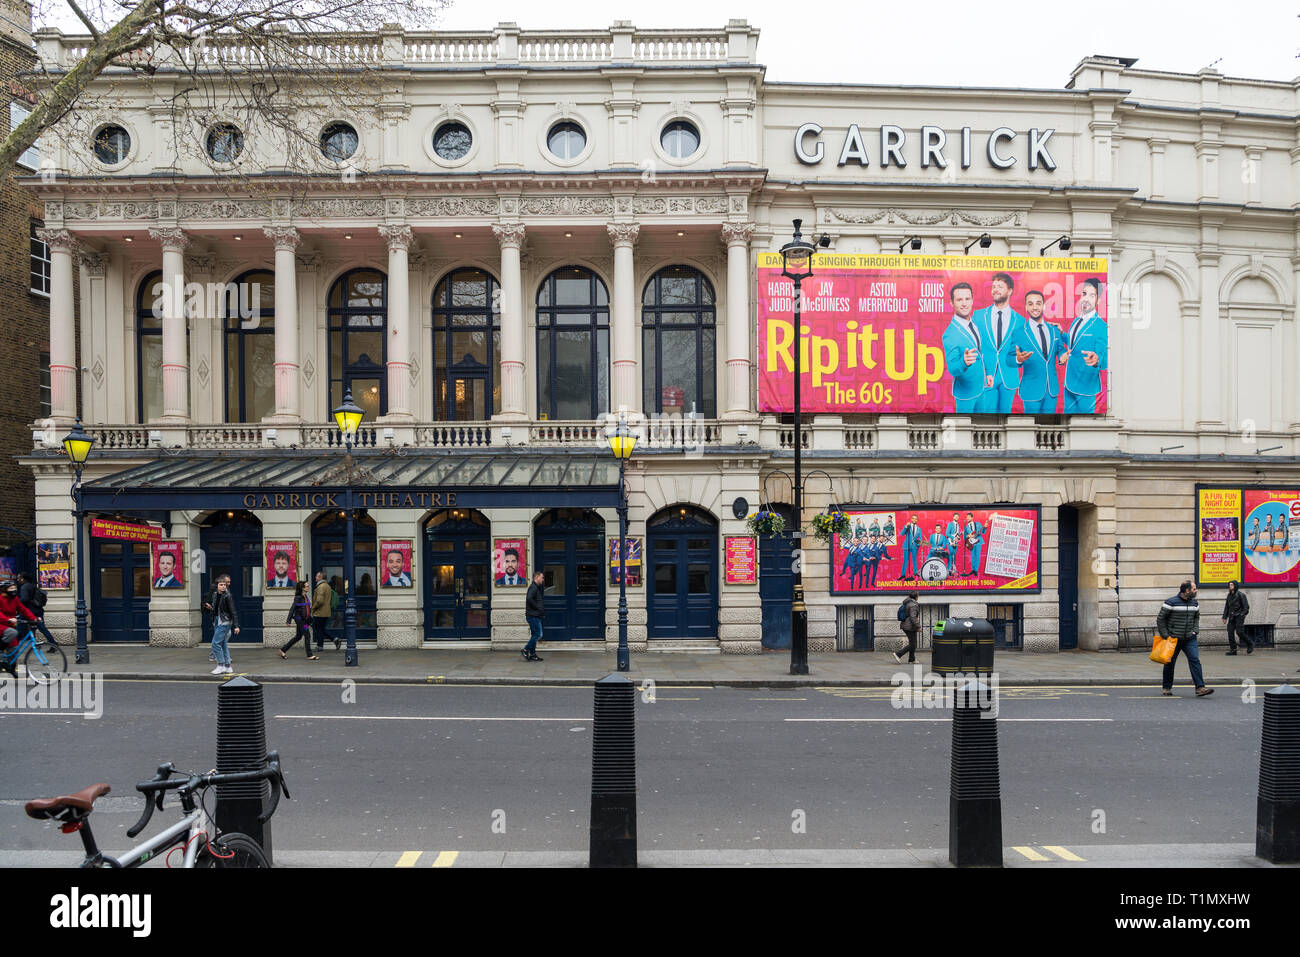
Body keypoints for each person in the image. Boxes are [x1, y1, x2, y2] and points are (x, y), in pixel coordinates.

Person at [971, 272, 1028, 413]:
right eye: (993, 286)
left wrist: (1019, 360)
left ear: (1009, 291)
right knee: (987, 416)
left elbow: (1020, 352)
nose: (995, 289)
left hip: (1009, 377)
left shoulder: (1020, 321)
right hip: (986, 375)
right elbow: (973, 346)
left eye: (1000, 286)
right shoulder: (978, 316)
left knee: (1006, 418)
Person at [941, 282, 992, 413]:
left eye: (967, 299)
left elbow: (982, 352)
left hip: (982, 389)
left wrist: (989, 373)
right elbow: (952, 369)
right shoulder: (949, 334)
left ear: (972, 300)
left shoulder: (975, 324)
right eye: (959, 299)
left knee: (982, 431)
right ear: (952, 303)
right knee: (963, 431)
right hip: (965, 394)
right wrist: (963, 362)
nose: (964, 303)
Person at [1157, 580, 1213, 697]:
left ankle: (1200, 687)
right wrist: (1166, 635)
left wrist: (1195, 630)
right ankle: (1167, 687)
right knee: (1169, 663)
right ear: (1187, 591)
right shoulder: (1170, 602)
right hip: (1173, 638)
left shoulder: (1194, 603)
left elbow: (1197, 617)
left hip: (1189, 638)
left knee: (1195, 660)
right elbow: (1161, 619)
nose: (1196, 590)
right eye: (1194, 589)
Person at [1061, 278, 1108, 414]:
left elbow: (1104, 358)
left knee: (1085, 428)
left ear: (1098, 300)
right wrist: (1062, 333)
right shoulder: (1077, 320)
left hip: (1086, 387)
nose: (1086, 299)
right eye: (1084, 294)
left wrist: (1097, 359)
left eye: (1091, 295)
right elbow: (1074, 344)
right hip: (1069, 383)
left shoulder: (1101, 326)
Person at [1017, 289, 1067, 413]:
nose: (1035, 307)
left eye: (1038, 303)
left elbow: (1060, 349)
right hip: (1031, 390)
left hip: (1051, 390)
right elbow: (1009, 358)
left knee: (1049, 427)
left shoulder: (1054, 330)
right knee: (1029, 428)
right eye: (1031, 304)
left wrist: (1061, 358)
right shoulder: (1019, 333)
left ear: (1044, 306)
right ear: (1026, 307)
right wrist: (1018, 360)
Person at [1, 581, 38, 678]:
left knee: (14, 648)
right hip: (2, 624)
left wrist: (34, 618)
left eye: (14, 588)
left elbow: (23, 609)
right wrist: (8, 619)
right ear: (5, 589)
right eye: (11, 588)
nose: (14, 590)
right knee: (12, 632)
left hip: (10, 625)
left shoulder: (15, 599)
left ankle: (11, 669)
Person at [16, 572, 57, 648]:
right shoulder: (32, 585)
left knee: (20, 629)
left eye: (19, 578)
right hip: (38, 610)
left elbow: (25, 599)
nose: (18, 580)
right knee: (40, 629)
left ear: (23, 579)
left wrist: (17, 602)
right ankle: (51, 644)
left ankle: (12, 647)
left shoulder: (24, 587)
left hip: (29, 612)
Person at [279, 581, 319, 660]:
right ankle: (309, 655)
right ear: (302, 588)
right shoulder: (298, 597)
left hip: (306, 620)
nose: (308, 587)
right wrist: (288, 620)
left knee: (298, 636)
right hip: (300, 620)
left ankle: (283, 650)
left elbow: (307, 608)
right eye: (307, 586)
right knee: (307, 635)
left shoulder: (305, 596)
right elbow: (292, 609)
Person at [209, 575, 239, 676]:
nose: (223, 586)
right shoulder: (214, 595)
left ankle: (220, 665)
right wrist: (211, 608)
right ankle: (228, 666)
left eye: (224, 585)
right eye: (221, 585)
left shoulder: (227, 596)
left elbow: (233, 611)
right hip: (217, 621)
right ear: (217, 586)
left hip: (225, 622)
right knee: (223, 644)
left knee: (215, 644)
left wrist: (236, 625)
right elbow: (217, 609)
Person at [1221, 579, 1252, 655]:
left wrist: (1242, 615)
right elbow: (1227, 607)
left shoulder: (1241, 595)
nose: (1230, 586)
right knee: (1230, 632)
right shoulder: (1229, 595)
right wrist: (1224, 617)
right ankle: (1233, 649)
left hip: (1239, 616)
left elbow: (1246, 607)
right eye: (1229, 585)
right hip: (1231, 617)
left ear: (1235, 586)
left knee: (1239, 632)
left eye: (1232, 585)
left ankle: (1250, 644)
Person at [311, 571, 340, 651]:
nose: (315, 578)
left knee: (318, 629)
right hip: (326, 611)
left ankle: (320, 646)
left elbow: (320, 601)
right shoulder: (327, 586)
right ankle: (334, 639)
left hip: (319, 612)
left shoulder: (321, 587)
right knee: (321, 629)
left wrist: (313, 607)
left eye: (317, 576)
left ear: (321, 577)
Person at [522, 570, 546, 662]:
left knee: (534, 635)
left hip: (535, 615)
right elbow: (529, 599)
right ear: (536, 577)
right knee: (538, 634)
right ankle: (525, 650)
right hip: (533, 616)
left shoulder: (535, 587)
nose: (543, 579)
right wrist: (538, 608)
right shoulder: (533, 587)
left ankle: (532, 654)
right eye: (542, 577)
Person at [894, 590, 921, 664]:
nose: (918, 597)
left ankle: (911, 659)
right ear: (916, 597)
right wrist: (918, 626)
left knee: (913, 643)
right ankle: (898, 654)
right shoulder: (913, 605)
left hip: (907, 625)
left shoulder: (907, 602)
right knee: (913, 644)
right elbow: (913, 617)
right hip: (909, 626)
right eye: (918, 595)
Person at [900, 517, 923, 581]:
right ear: (911, 519)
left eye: (916, 519)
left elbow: (920, 539)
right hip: (907, 546)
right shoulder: (908, 527)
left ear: (917, 520)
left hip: (914, 547)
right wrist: (905, 526)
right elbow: (901, 534)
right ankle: (903, 574)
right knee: (905, 560)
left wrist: (917, 545)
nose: (914, 520)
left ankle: (915, 573)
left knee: (914, 560)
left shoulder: (919, 529)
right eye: (913, 518)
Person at [963, 512, 985, 576]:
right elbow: (965, 537)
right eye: (967, 517)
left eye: (968, 517)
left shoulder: (978, 524)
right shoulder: (966, 527)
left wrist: (985, 527)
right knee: (972, 556)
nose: (967, 518)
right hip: (971, 543)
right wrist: (968, 536)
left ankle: (976, 570)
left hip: (978, 542)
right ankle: (972, 570)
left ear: (972, 518)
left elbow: (983, 531)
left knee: (977, 556)